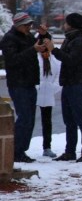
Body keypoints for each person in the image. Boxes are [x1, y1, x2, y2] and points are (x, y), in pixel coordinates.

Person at [45, 13, 82, 162]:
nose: (64, 25)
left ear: (72, 24)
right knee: (69, 120)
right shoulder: (71, 38)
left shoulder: (80, 41)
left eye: (66, 23)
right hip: (69, 83)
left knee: (80, 119)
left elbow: (71, 60)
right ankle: (70, 151)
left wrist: (54, 50)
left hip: (78, 84)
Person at [0, 13, 48, 162]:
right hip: (18, 83)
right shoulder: (9, 39)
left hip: (29, 82)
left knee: (30, 118)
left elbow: (37, 47)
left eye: (30, 25)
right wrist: (33, 50)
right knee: (24, 117)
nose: (29, 27)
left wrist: (43, 36)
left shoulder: (27, 37)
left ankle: (21, 150)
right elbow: (13, 60)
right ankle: (16, 150)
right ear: (18, 25)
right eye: (26, 25)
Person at [36, 32, 61, 158]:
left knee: (47, 122)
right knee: (27, 120)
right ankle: (21, 147)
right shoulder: (34, 58)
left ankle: (47, 146)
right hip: (34, 93)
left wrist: (52, 88)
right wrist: (37, 87)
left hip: (48, 94)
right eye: (43, 42)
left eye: (47, 42)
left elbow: (59, 77)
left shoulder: (55, 60)